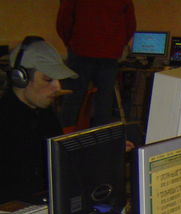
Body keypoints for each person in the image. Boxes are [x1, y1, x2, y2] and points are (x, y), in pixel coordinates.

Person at [0, 36, 78, 203]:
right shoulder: (6, 122)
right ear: (20, 78)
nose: (58, 87)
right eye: (48, 79)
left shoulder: (45, 114)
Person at [57, 0, 136, 128]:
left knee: (72, 98)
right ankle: (100, 136)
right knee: (104, 102)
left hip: (81, 50)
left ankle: (65, 134)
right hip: (109, 53)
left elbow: (64, 21)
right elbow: (130, 25)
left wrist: (71, 42)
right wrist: (117, 45)